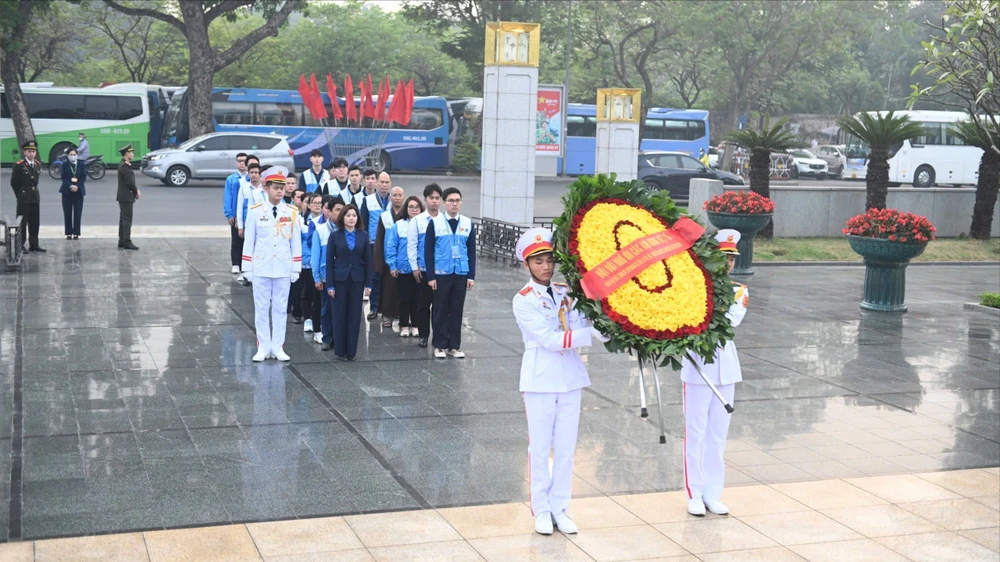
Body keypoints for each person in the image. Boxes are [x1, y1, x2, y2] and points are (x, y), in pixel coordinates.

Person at [512, 228, 608, 536]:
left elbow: (584, 320)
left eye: (550, 260)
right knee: (540, 448)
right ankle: (541, 509)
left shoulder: (567, 292)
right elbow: (549, 339)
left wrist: (602, 322)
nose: (546, 267)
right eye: (538, 261)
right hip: (540, 378)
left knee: (566, 448)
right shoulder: (523, 299)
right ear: (526, 265)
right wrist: (587, 334)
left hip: (570, 378)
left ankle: (560, 507)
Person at [680, 228, 747, 517]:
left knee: (717, 436)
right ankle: (694, 493)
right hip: (697, 369)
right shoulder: (692, 288)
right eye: (723, 257)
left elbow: (724, 326)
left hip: (726, 370)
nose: (728, 263)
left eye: (731, 259)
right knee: (694, 433)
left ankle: (713, 493)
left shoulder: (739, 292)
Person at [242, 166, 302, 362]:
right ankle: (263, 346)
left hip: (283, 267)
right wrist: (247, 267)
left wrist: (296, 267)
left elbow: (296, 243)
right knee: (261, 308)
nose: (279, 191)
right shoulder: (256, 211)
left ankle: (277, 346)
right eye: (275, 187)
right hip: (261, 266)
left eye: (282, 188)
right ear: (266, 188)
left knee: (280, 308)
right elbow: (249, 240)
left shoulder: (291, 212)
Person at [425, 187, 476, 359]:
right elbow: (428, 251)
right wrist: (431, 276)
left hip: (461, 272)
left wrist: (471, 275)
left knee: (456, 309)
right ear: (444, 203)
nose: (454, 204)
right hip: (441, 273)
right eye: (451, 201)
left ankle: (454, 345)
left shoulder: (468, 223)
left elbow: (471, 252)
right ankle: (439, 344)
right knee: (440, 309)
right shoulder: (435, 223)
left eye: (457, 200)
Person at [326, 204, 372, 361]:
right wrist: (330, 285)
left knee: (354, 316)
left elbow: (368, 261)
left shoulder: (363, 235)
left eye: (354, 215)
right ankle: (340, 351)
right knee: (339, 315)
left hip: (357, 280)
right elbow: (329, 262)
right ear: (342, 218)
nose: (352, 218)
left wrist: (369, 284)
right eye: (348, 215)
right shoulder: (335, 236)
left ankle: (351, 351)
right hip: (339, 280)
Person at [406, 183, 442, 348]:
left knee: (439, 305)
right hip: (423, 270)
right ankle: (423, 334)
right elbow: (412, 244)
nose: (434, 201)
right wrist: (414, 266)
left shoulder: (444, 220)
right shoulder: (417, 221)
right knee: (423, 304)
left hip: (441, 270)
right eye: (431, 198)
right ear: (425, 200)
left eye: (437, 198)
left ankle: (438, 335)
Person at [387, 196, 424, 337]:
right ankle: (403, 325)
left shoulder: (425, 224)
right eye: (411, 207)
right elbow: (391, 246)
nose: (414, 209)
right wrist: (392, 265)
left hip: (420, 268)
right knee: (404, 298)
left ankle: (415, 325)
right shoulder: (399, 225)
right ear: (406, 208)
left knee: (418, 298)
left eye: (417, 207)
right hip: (403, 267)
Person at [313, 196, 345, 351]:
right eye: (337, 210)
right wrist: (316, 277)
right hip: (326, 276)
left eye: (342, 210)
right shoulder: (320, 230)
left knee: (342, 309)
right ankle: (327, 337)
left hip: (344, 276)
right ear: (329, 212)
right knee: (326, 308)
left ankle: (340, 338)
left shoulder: (348, 229)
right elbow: (315, 256)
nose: (340, 214)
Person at [373, 186, 404, 328]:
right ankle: (387, 315)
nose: (397, 198)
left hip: (404, 259)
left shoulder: (407, 215)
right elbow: (379, 240)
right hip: (388, 259)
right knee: (388, 289)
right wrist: (378, 261)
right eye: (394, 195)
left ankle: (401, 314)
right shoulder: (384, 216)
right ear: (390, 198)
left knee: (402, 289)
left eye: (400, 195)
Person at [363, 171, 392, 320]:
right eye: (381, 182)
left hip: (391, 244)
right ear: (376, 183)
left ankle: (387, 309)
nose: (384, 185)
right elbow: (363, 224)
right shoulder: (368, 201)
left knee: (389, 277)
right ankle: (374, 307)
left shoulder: (394, 200)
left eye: (387, 182)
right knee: (375, 276)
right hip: (373, 244)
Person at [10, 140, 44, 252]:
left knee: (35, 221)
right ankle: (21, 244)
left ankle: (34, 244)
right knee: (22, 222)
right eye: (29, 151)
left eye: (33, 151)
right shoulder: (19, 165)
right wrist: (20, 195)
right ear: (24, 152)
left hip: (35, 195)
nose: (32, 154)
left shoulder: (38, 164)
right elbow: (14, 183)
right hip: (24, 196)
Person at [299, 193, 323, 334]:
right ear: (308, 205)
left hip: (320, 262)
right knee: (306, 292)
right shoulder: (302, 221)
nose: (317, 205)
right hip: (306, 261)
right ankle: (307, 318)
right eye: (314, 202)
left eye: (320, 202)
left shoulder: (325, 221)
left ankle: (317, 318)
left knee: (317, 293)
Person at [223, 153, 250, 274]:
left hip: (248, 215)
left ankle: (245, 264)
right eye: (239, 161)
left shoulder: (252, 178)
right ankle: (235, 264)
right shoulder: (232, 179)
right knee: (236, 240)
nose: (242, 163)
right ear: (236, 162)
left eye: (244, 161)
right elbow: (227, 197)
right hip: (235, 215)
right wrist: (229, 214)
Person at [59, 146, 87, 240]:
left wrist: (77, 186)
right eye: (71, 155)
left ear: (77, 155)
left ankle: (76, 233)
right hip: (67, 191)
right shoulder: (64, 164)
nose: (73, 156)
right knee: (67, 213)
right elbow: (63, 177)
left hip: (78, 192)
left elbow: (83, 177)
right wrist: (70, 186)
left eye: (74, 154)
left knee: (77, 213)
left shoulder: (81, 164)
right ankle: (68, 232)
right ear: (67, 156)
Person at [117, 144, 140, 251]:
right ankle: (127, 241)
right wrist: (136, 191)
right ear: (127, 153)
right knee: (127, 219)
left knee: (123, 219)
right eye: (131, 152)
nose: (133, 154)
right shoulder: (125, 166)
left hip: (123, 196)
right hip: (126, 196)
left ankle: (122, 240)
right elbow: (129, 182)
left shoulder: (123, 164)